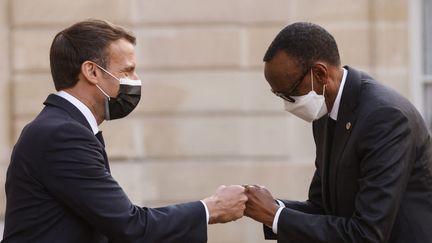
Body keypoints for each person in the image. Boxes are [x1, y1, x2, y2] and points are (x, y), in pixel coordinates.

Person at [2, 19, 247, 243]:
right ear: (92, 72)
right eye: (127, 71)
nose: (135, 79)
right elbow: (129, 225)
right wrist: (211, 208)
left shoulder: (63, 127)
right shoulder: (63, 134)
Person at [244, 22, 432, 243]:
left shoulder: (385, 117)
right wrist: (265, 206)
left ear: (320, 73)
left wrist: (275, 216)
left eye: (289, 94)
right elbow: (322, 207)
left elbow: (367, 234)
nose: (287, 104)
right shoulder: (325, 113)